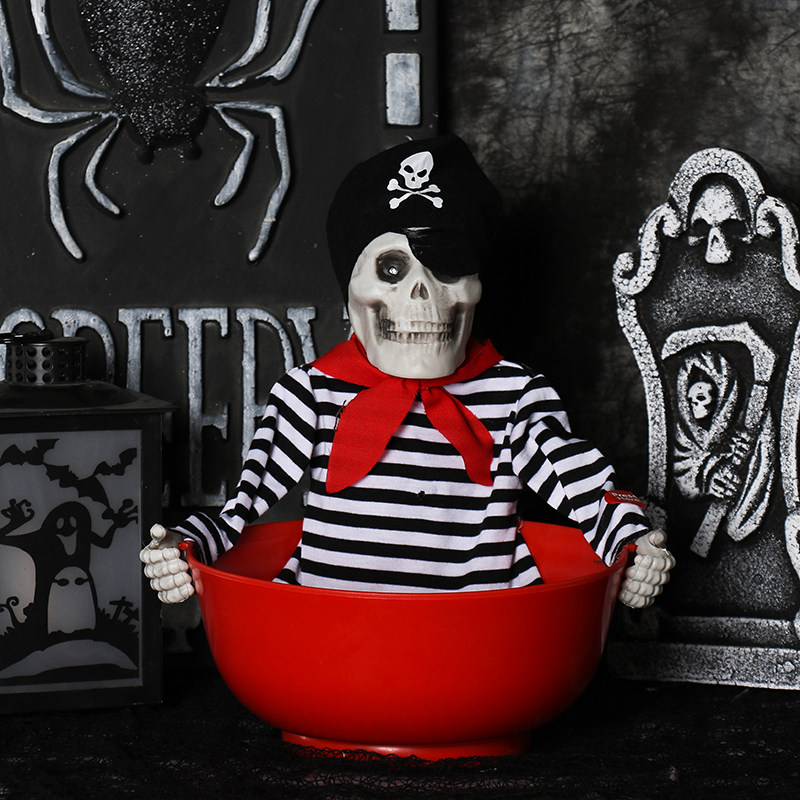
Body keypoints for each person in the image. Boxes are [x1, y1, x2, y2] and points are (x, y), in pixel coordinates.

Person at [141, 136, 674, 606]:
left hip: (479, 637)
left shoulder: (516, 395)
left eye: (447, 269)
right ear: (351, 289)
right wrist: (183, 548)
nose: (422, 295)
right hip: (334, 636)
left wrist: (634, 541)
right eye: (392, 269)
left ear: (475, 288)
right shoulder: (311, 392)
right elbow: (241, 505)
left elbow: (583, 486)